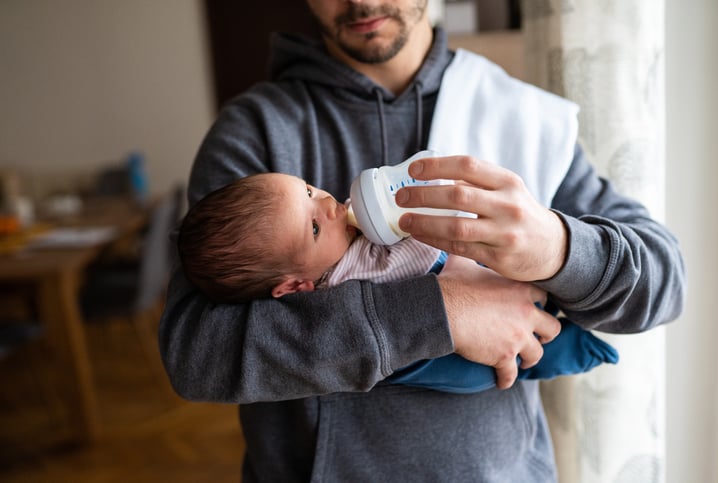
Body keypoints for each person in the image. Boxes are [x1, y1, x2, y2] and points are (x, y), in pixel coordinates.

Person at [159, 1, 686, 481]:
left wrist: (557, 248)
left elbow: (665, 283)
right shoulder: (256, 132)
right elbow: (195, 354)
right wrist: (440, 312)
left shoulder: (520, 116)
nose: (361, 1)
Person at [176, 172, 619, 394]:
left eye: (310, 190)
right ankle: (573, 352)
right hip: (443, 360)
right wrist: (450, 310)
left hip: (493, 280)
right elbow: (196, 356)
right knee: (502, 366)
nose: (330, 205)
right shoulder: (341, 288)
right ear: (294, 288)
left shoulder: (342, 229)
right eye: (313, 228)